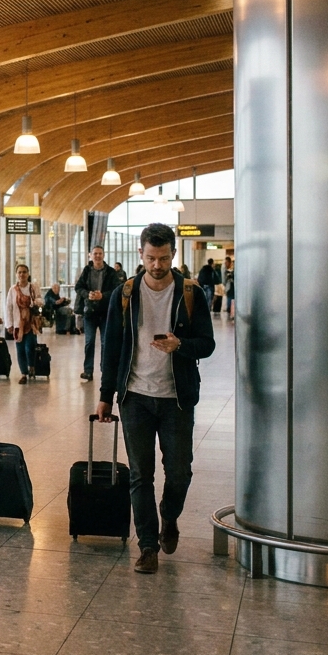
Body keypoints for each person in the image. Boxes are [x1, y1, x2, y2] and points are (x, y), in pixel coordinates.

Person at [97, 222, 215, 575]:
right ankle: (147, 545)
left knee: (179, 472)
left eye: (163, 258)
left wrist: (180, 345)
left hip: (176, 398)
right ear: (140, 254)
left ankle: (169, 515)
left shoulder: (191, 293)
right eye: (151, 258)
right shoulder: (124, 294)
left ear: (173, 255)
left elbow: (207, 344)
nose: (157, 265)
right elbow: (112, 349)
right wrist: (106, 395)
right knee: (139, 474)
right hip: (135, 397)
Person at [75, 246, 120, 381]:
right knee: (89, 342)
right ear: (90, 255)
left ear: (104, 255)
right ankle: (88, 370)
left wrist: (103, 296)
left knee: (106, 343)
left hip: (106, 312)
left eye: (100, 253)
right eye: (95, 254)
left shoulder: (111, 272)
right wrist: (87, 294)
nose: (97, 256)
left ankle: (105, 370)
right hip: (90, 312)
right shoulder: (87, 271)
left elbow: (116, 289)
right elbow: (78, 287)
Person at [3, 264, 42, 383]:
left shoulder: (33, 287)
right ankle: (23, 373)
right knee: (20, 349)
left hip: (31, 323)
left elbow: (40, 299)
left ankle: (31, 366)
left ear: (28, 274)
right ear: (16, 274)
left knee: (29, 347)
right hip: (17, 324)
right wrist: (8, 324)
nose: (22, 274)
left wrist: (35, 302)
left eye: (24, 272)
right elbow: (8, 307)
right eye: (19, 272)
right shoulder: (12, 289)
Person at [224, 257, 235, 322]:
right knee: (230, 300)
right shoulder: (227, 270)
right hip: (230, 288)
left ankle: (231, 313)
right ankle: (230, 312)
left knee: (231, 301)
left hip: (232, 288)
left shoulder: (232, 271)